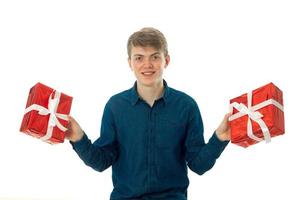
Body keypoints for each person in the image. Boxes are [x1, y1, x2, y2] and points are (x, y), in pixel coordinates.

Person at [66, 27, 231, 200]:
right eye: (139, 58)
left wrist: (219, 138)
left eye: (155, 57)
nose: (147, 65)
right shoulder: (115, 107)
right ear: (130, 63)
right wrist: (78, 138)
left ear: (166, 60)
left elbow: (199, 165)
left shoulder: (186, 106)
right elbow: (101, 161)